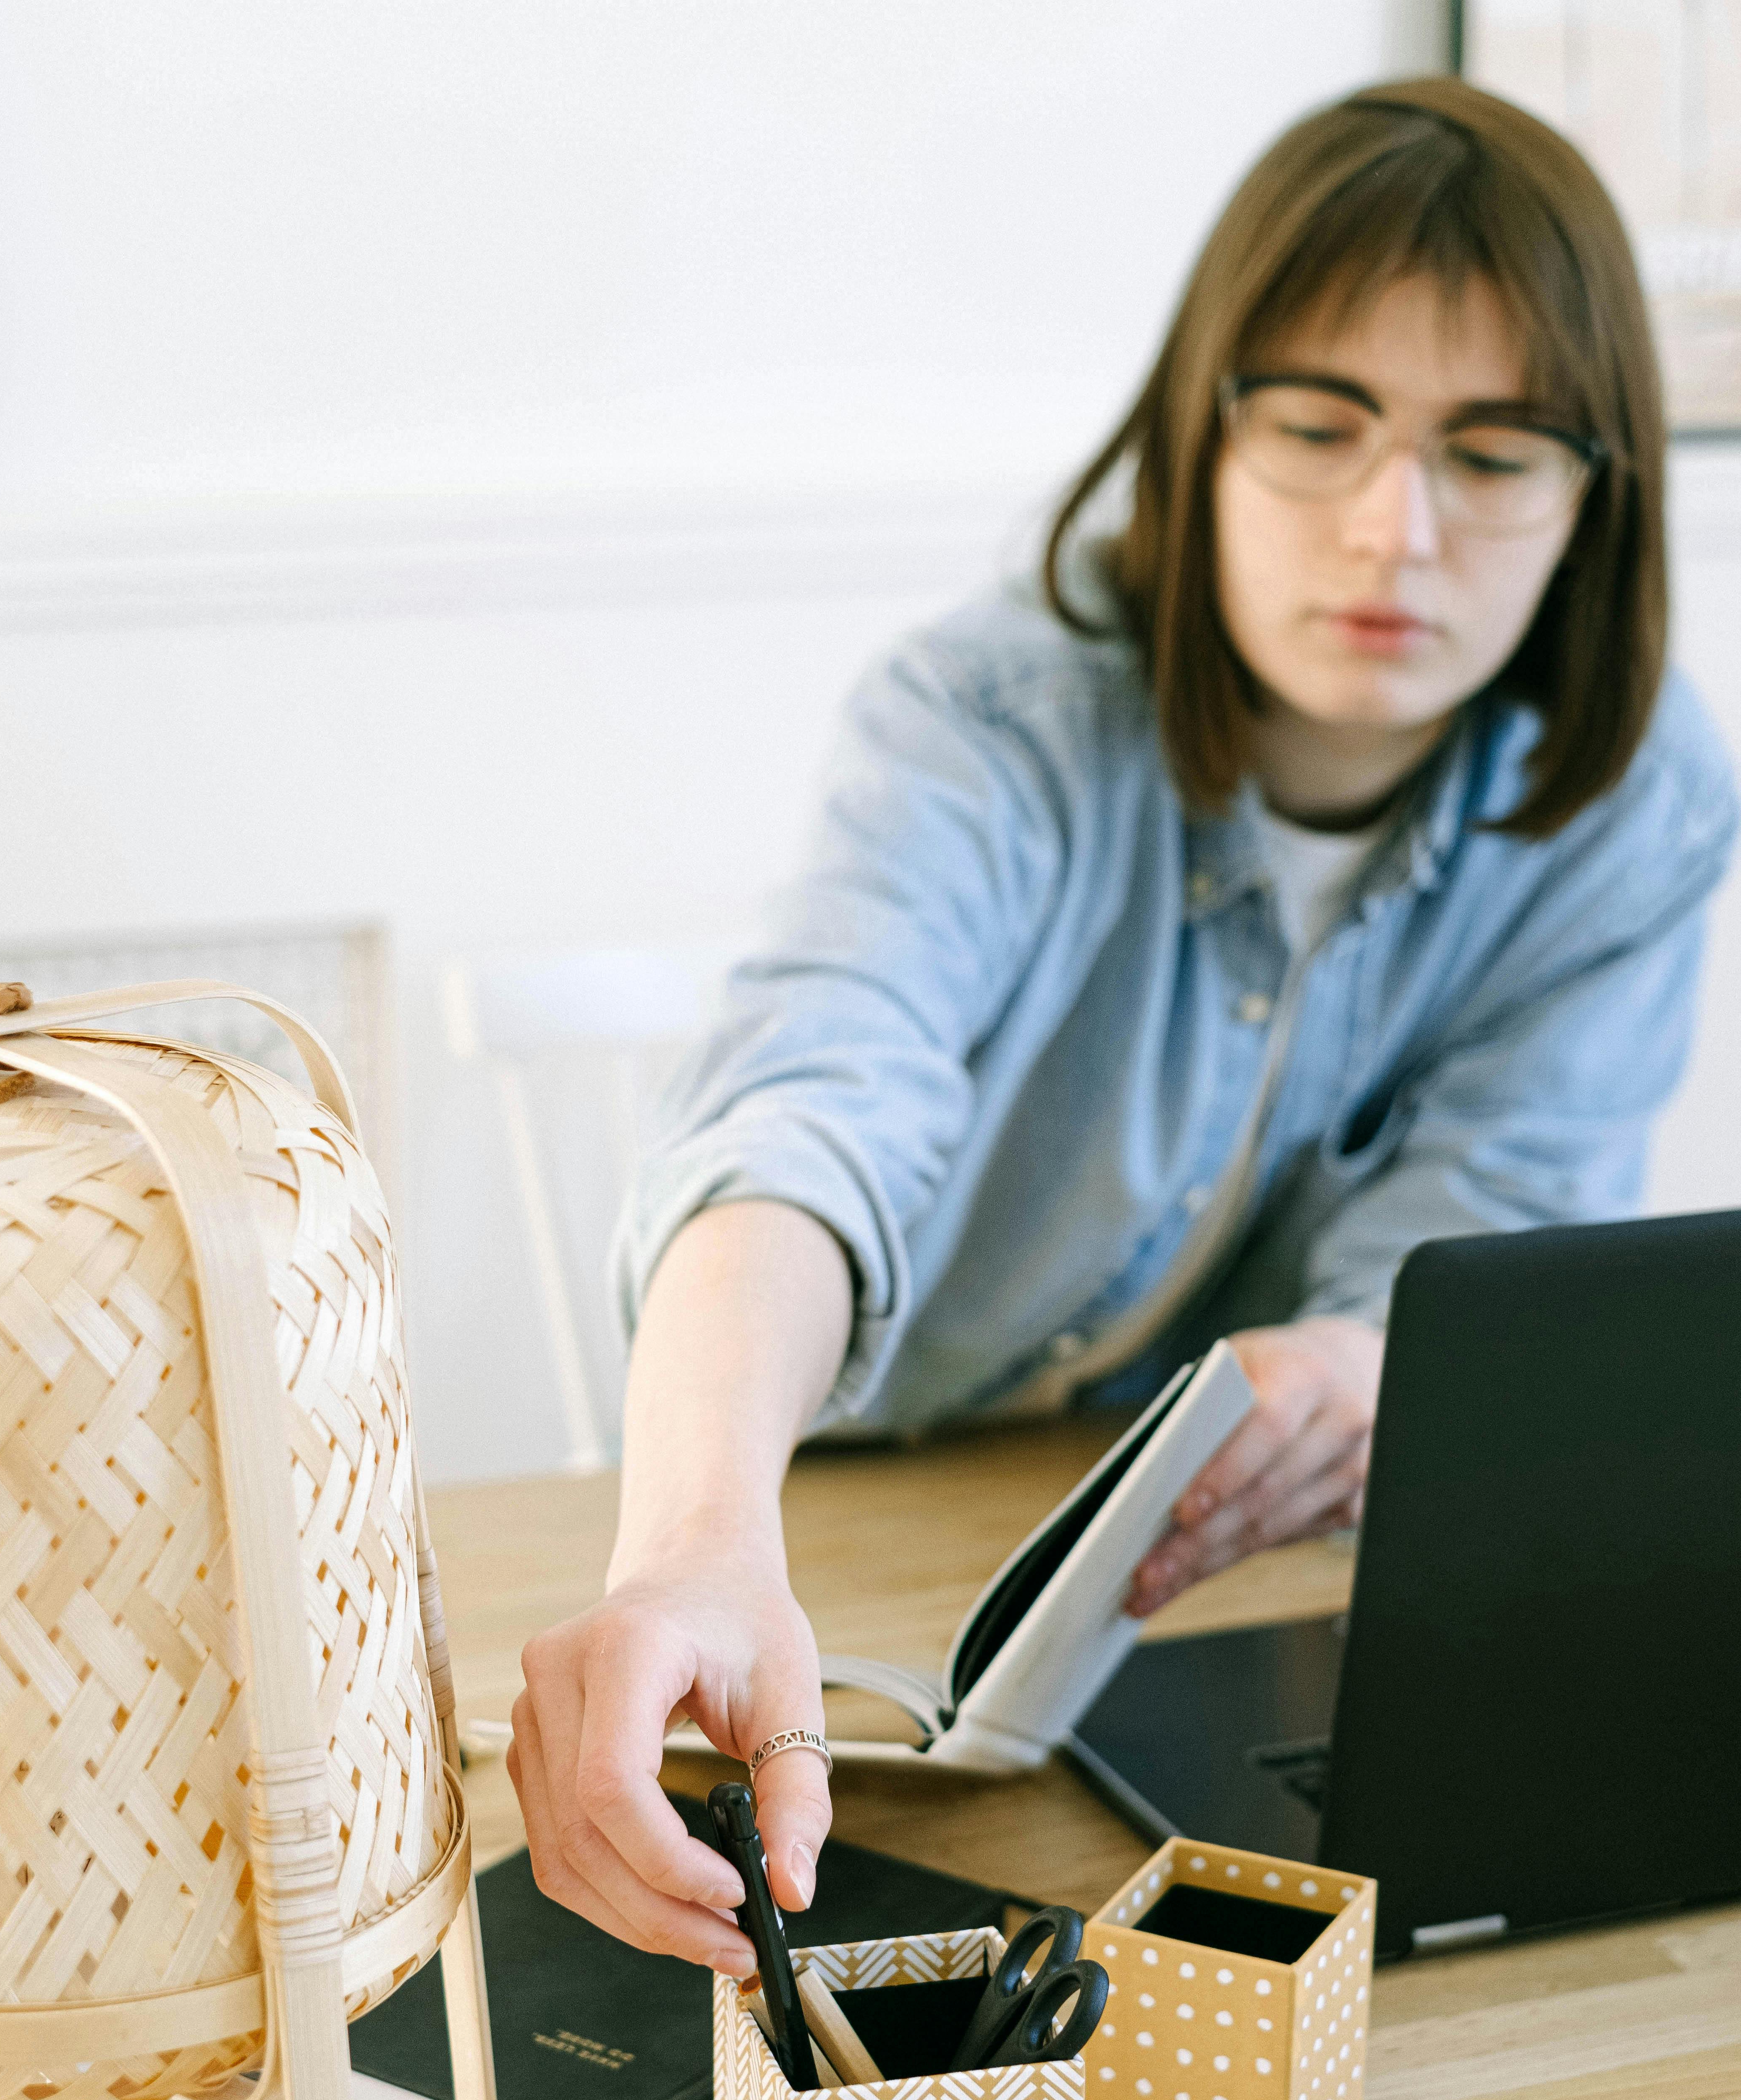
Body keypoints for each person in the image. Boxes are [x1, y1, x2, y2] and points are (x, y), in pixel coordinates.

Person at [507, 76, 1736, 1974]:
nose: (1394, 530)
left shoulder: (1634, 804)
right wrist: (688, 1540)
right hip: (840, 1525)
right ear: (1200, 432)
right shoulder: (987, 720)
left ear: (1596, 500)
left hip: (1207, 1595)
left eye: (1494, 455)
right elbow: (811, 1104)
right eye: (1317, 427)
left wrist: (1355, 1361)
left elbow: (1484, 1247)